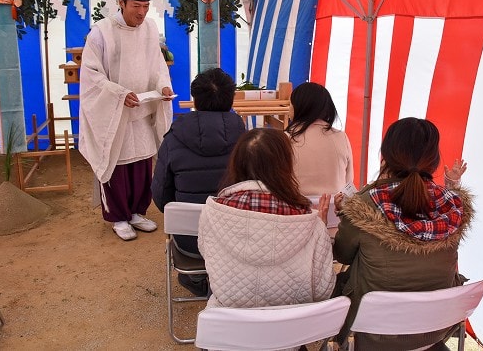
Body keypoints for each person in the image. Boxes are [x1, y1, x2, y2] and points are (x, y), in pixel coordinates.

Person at [331, 117, 472, 350]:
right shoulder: (453, 206)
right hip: (434, 329)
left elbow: (343, 254)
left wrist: (349, 213)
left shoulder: (366, 203)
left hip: (376, 333)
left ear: (385, 157)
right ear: (434, 160)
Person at [78, 0, 174, 241]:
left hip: (142, 109)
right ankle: (118, 217)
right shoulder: (101, 32)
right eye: (136, 6)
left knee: (143, 163)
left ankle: (136, 212)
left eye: (145, 6)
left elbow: (157, 65)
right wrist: (119, 94)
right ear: (121, 3)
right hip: (114, 112)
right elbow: (91, 75)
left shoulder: (149, 29)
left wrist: (162, 86)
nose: (141, 12)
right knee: (117, 165)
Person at [198, 128, 336, 309]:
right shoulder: (312, 224)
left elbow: (208, 258)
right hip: (293, 329)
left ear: (237, 164)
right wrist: (321, 227)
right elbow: (322, 291)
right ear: (286, 166)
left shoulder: (211, 212)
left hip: (230, 322)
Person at [151, 67, 246, 295]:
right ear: (231, 98)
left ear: (194, 98)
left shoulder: (173, 139)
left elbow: (161, 196)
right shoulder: (247, 139)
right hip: (239, 240)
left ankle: (196, 279)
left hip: (189, 242)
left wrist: (180, 213)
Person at [286, 82, 354, 227]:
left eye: (290, 104)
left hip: (297, 217)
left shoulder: (286, 138)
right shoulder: (341, 137)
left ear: (300, 107)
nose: (289, 108)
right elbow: (348, 182)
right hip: (336, 218)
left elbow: (278, 183)